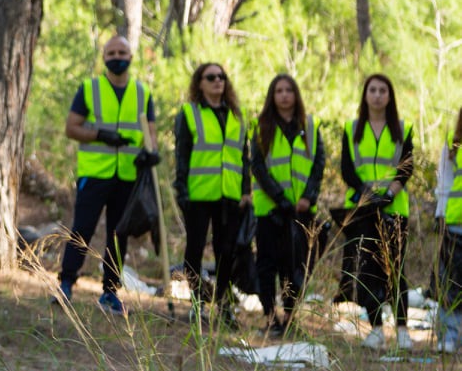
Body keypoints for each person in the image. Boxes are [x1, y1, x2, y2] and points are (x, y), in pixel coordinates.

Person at [60, 35, 159, 315]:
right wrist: (100, 135)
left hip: (127, 177)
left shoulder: (142, 93)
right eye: (112, 52)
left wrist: (150, 152)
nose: (117, 57)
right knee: (83, 227)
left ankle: (110, 292)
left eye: (122, 52)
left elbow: (150, 134)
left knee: (119, 234)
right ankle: (66, 282)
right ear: (104, 58)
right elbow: (71, 128)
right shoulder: (90, 89)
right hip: (95, 173)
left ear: (130, 57)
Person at [339, 73, 415, 351]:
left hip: (394, 209)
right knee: (369, 270)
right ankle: (376, 329)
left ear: (390, 96)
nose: (378, 95)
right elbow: (347, 169)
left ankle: (403, 329)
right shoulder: (351, 128)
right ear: (365, 94)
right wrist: (367, 196)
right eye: (373, 89)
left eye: (383, 90)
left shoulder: (403, 129)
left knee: (395, 268)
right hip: (363, 210)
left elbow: (406, 167)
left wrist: (389, 194)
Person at [172, 63, 252, 326]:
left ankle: (225, 306)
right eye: (211, 77)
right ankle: (197, 303)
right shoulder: (189, 113)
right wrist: (181, 190)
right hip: (198, 193)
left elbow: (244, 158)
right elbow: (182, 154)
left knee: (226, 252)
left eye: (222, 77)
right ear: (200, 83)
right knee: (194, 249)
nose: (218, 81)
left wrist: (245, 191)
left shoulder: (237, 117)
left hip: (229, 195)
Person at [251, 74, 325, 338]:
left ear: (296, 95)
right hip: (270, 209)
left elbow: (318, 165)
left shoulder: (310, 127)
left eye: (289, 90)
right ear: (272, 96)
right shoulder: (261, 127)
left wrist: (308, 196)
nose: (284, 95)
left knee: (295, 267)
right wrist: (279, 199)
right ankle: (270, 317)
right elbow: (257, 166)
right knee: (267, 265)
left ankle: (290, 317)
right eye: (278, 91)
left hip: (302, 210)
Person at [435, 106, 462, 354]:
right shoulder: (453, 149)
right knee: (450, 282)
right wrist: (440, 216)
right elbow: (443, 183)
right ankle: (449, 336)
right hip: (455, 224)